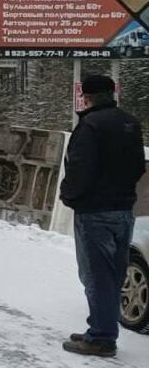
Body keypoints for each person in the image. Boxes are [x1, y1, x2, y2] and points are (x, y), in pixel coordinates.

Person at [60, 75, 145, 358]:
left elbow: (79, 170)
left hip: (94, 211)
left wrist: (69, 196)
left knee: (96, 275)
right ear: (112, 93)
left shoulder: (90, 126)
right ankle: (99, 328)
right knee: (114, 272)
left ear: (87, 96)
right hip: (123, 209)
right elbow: (138, 166)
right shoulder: (130, 123)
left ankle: (101, 338)